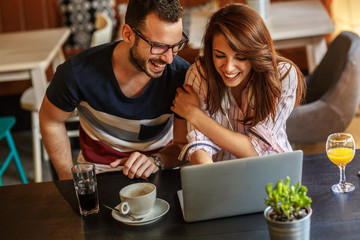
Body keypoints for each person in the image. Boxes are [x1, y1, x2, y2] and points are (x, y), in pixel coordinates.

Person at [39, 0, 190, 180]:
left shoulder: (181, 76)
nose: (169, 59)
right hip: (99, 174)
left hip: (160, 171)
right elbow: (50, 121)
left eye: (176, 46)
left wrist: (157, 161)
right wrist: (68, 178)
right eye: (158, 46)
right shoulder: (76, 73)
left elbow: (183, 144)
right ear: (127, 34)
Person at [171, 3, 306, 165]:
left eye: (240, 57)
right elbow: (199, 145)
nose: (228, 68)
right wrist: (210, 182)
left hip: (273, 169)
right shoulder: (200, 74)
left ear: (255, 53)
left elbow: (255, 150)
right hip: (220, 173)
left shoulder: (283, 75)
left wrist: (194, 114)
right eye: (219, 55)